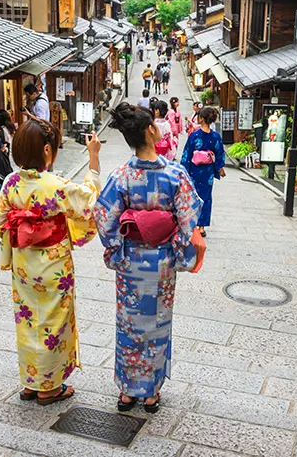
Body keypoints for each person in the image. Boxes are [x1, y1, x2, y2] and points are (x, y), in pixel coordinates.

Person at [93, 103, 202, 414]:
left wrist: (118, 246)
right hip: (163, 263)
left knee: (128, 325)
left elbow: (104, 217)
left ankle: (128, 391)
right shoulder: (175, 175)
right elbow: (188, 217)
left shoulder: (121, 176)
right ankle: (151, 392)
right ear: (152, 131)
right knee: (156, 324)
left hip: (130, 263)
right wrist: (175, 244)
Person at [0, 119, 102, 405]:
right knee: (54, 320)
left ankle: (31, 382)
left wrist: (24, 230)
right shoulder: (57, 185)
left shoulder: (11, 183)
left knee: (28, 320)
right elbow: (89, 201)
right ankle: (49, 387)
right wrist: (93, 156)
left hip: (24, 265)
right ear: (46, 150)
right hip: (54, 266)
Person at [181, 107, 226, 237]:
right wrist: (219, 168)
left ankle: (193, 225)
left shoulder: (194, 136)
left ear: (201, 119)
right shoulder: (215, 136)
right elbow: (219, 154)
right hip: (208, 173)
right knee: (206, 198)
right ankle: (201, 227)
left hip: (194, 171)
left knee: (193, 197)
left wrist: (184, 170)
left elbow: (187, 154)